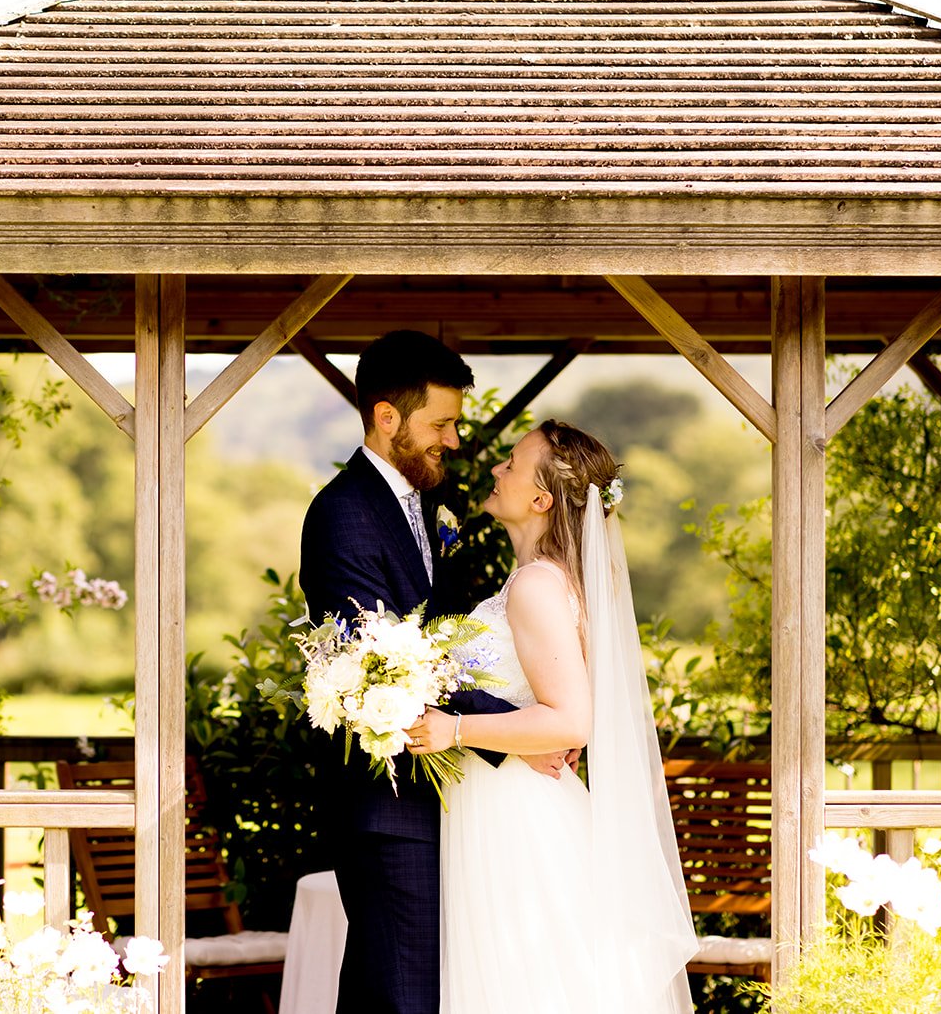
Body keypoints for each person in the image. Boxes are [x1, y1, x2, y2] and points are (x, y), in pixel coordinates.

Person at [299, 330, 572, 1014]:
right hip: (391, 804)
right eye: (440, 424)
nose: (453, 441)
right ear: (387, 417)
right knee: (405, 991)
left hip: (447, 797)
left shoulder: (427, 506)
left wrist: (537, 722)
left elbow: (451, 642)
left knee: (397, 989)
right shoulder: (343, 514)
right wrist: (524, 727)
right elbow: (387, 663)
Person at [407, 420, 699, 1013]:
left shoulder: (537, 586)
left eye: (510, 464)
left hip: (515, 813)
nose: (495, 469)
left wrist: (454, 729)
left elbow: (570, 722)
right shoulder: (546, 580)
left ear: (541, 499)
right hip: (507, 799)